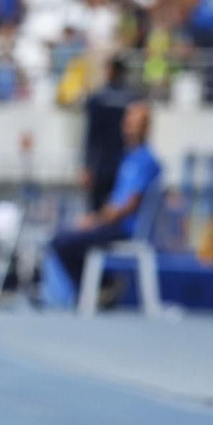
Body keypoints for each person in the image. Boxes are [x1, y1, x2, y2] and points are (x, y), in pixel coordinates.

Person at [46, 101, 161, 303]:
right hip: (111, 223)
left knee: (63, 241)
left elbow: (130, 205)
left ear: (146, 128)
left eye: (135, 123)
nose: (128, 127)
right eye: (128, 122)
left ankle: (99, 288)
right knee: (62, 237)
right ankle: (102, 287)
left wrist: (97, 220)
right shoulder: (127, 158)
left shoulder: (146, 160)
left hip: (124, 229)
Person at [82, 58, 135, 214]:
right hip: (121, 162)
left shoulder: (99, 99)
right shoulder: (132, 99)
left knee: (99, 210)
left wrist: (88, 165)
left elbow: (91, 135)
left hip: (104, 163)